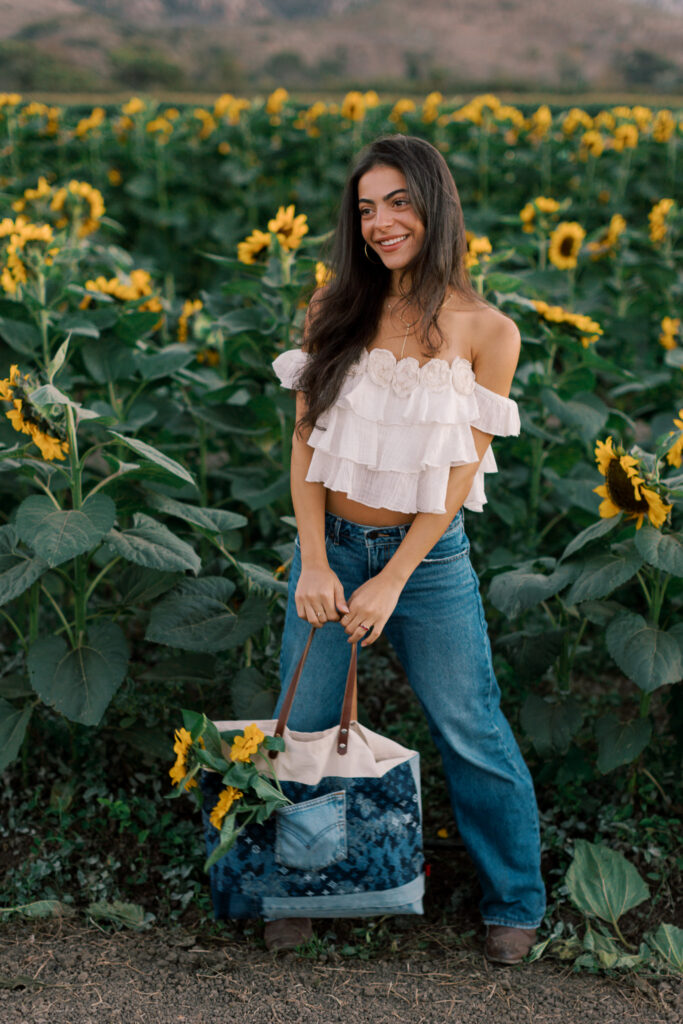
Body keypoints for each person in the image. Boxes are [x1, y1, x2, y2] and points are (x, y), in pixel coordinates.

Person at [268, 134, 545, 964]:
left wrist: (391, 578)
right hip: (329, 551)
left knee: (471, 729)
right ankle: (299, 887)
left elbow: (458, 475)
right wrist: (315, 561)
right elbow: (305, 443)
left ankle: (514, 902)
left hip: (425, 566)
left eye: (397, 203)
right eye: (365, 209)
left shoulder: (488, 332)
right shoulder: (334, 307)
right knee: (305, 729)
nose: (380, 223)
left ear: (434, 206)